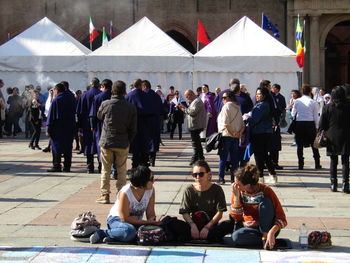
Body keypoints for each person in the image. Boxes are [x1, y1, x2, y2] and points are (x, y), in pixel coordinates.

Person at [89, 165, 160, 243]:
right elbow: (124, 218)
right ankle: (102, 233)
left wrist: (153, 223)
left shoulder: (150, 190)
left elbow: (150, 212)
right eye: (151, 179)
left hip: (136, 222)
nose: (153, 182)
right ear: (142, 182)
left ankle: (115, 237)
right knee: (129, 231)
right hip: (117, 220)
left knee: (152, 232)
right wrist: (147, 222)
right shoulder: (125, 192)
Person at [96, 80, 137, 204]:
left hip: (107, 141)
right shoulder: (130, 107)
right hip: (122, 142)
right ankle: (121, 195)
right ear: (124, 92)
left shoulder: (106, 104)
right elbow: (133, 128)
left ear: (112, 91)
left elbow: (99, 116)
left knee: (105, 169)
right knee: (121, 169)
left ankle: (105, 195)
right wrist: (128, 140)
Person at [230, 164, 287, 249]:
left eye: (238, 184)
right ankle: (268, 240)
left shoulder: (266, 190)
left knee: (266, 202)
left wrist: (271, 232)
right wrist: (237, 199)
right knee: (236, 237)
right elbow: (236, 217)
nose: (234, 186)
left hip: (269, 227)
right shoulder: (238, 191)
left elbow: (282, 219)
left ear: (248, 185)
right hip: (251, 229)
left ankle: (266, 236)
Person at [178, 160, 234, 242]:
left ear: (209, 174)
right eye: (195, 175)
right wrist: (192, 226)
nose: (198, 177)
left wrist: (207, 227)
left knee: (230, 224)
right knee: (171, 222)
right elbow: (184, 212)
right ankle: (200, 235)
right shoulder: (189, 189)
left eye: (201, 174)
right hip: (193, 224)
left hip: (211, 225)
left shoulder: (217, 189)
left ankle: (203, 235)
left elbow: (220, 213)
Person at [319, 86, 350, 193]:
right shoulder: (348, 106)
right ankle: (345, 184)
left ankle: (333, 183)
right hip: (346, 136)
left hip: (331, 136)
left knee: (333, 161)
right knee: (345, 161)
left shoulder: (327, 107)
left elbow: (322, 124)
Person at [243, 87, 277, 184]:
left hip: (259, 132)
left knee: (259, 155)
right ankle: (272, 175)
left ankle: (260, 176)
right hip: (264, 132)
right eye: (256, 94)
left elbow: (254, 119)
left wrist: (245, 118)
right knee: (264, 154)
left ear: (264, 95)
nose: (257, 96)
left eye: (259, 94)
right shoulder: (265, 104)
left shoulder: (262, 105)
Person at [46, 83, 76, 172]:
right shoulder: (71, 98)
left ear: (57, 90)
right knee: (68, 147)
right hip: (70, 126)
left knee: (56, 147)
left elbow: (51, 116)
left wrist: (48, 128)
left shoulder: (56, 100)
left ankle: (56, 165)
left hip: (58, 127)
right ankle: (67, 166)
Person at [217, 90, 244, 184]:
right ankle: (234, 179)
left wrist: (232, 132)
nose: (222, 100)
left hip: (226, 135)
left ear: (229, 98)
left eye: (224, 98)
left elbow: (225, 123)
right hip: (235, 137)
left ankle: (221, 178)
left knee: (223, 158)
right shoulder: (237, 107)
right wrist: (238, 133)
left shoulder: (226, 106)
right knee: (235, 160)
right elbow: (242, 124)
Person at [292, 84, 321, 170]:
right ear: (310, 92)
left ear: (302, 91)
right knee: (314, 145)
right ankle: (317, 163)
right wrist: (316, 127)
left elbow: (293, 113)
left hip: (299, 123)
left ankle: (300, 164)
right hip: (310, 123)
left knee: (299, 145)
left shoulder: (297, 101)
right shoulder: (313, 102)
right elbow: (316, 116)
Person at [125, 79, 152, 169]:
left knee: (135, 146)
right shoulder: (146, 96)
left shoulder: (128, 96)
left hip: (132, 124)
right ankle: (144, 165)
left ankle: (135, 165)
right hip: (145, 124)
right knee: (144, 146)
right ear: (141, 85)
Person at [76, 78, 101, 173]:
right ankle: (100, 166)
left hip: (86, 123)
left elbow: (79, 112)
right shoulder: (101, 94)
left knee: (88, 144)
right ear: (98, 84)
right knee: (99, 144)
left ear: (91, 84)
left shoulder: (84, 95)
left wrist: (79, 125)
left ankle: (89, 166)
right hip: (99, 122)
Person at [89, 79, 113, 174]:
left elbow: (93, 114)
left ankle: (101, 166)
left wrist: (92, 125)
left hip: (100, 124)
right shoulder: (114, 96)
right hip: (113, 124)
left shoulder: (98, 97)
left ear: (103, 86)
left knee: (101, 145)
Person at [179, 89, 206, 165]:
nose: (187, 98)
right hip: (194, 125)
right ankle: (200, 157)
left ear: (191, 94)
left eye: (187, 96)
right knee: (197, 142)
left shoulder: (197, 101)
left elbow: (192, 112)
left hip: (196, 125)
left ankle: (195, 157)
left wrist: (183, 108)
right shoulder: (194, 101)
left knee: (195, 143)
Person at [142, 80, 162, 167]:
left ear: (144, 86)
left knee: (145, 140)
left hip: (145, 120)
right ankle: (152, 159)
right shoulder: (156, 96)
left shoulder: (143, 95)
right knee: (154, 140)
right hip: (156, 120)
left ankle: (146, 159)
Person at [269, 83, 287, 170]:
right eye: (272, 88)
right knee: (269, 144)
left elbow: (283, 108)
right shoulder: (269, 96)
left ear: (278, 89)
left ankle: (275, 162)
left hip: (276, 122)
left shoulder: (281, 97)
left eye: (274, 88)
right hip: (269, 123)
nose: (272, 89)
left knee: (275, 144)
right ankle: (268, 162)